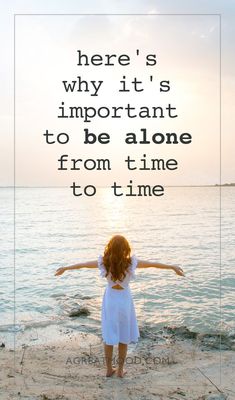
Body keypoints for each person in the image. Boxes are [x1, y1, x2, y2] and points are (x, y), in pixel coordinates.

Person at [55, 234, 184, 378]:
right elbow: (153, 264)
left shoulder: (104, 263)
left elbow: (83, 264)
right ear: (126, 248)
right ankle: (120, 371)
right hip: (124, 300)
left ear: (110, 248)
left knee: (109, 334)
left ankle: (109, 369)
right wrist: (172, 267)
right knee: (124, 335)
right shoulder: (130, 263)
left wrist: (66, 268)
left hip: (110, 300)